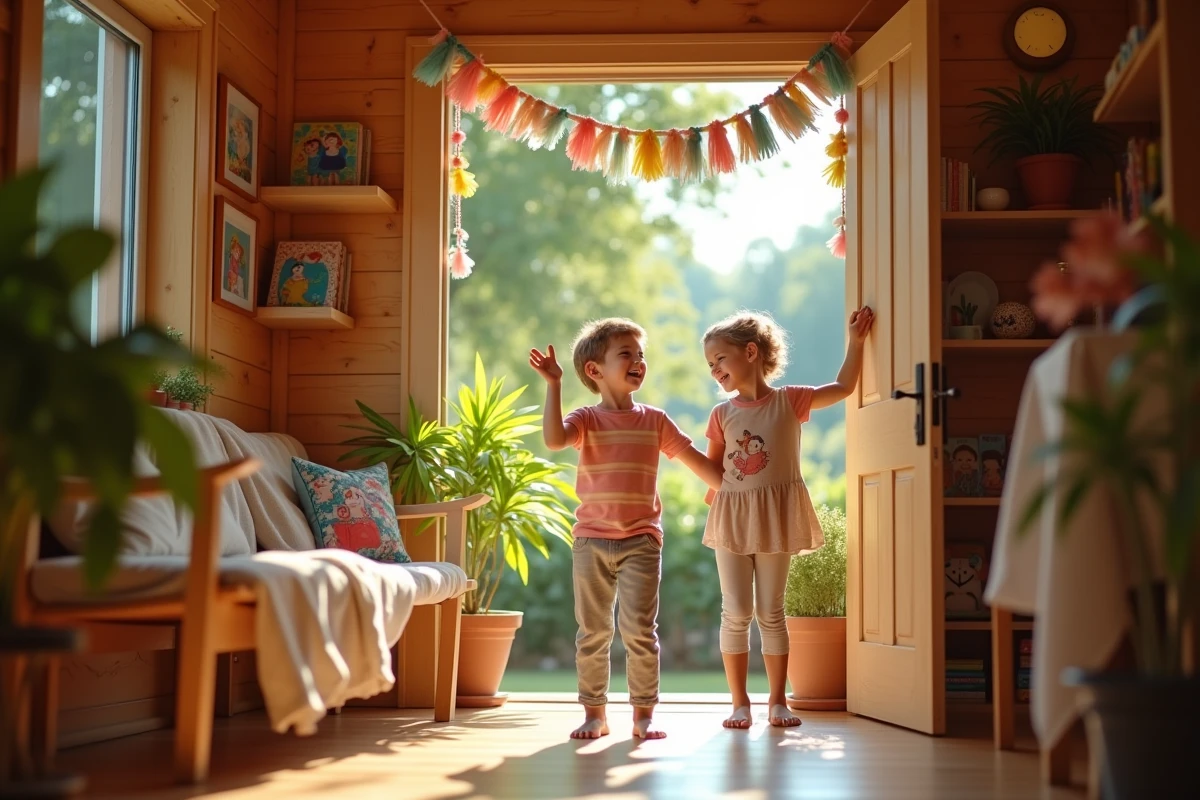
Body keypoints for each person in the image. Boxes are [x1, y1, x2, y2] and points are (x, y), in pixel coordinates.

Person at [530, 318, 722, 741]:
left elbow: (703, 466)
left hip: (641, 541)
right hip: (591, 541)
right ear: (595, 371)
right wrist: (554, 385)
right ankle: (595, 714)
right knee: (593, 632)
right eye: (627, 354)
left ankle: (643, 715)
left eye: (641, 354)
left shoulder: (655, 421)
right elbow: (554, 439)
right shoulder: (585, 419)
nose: (638, 361)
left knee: (639, 630)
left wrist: (743, 483)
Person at [702, 306, 874, 729]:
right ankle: (739, 702)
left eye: (719, 360)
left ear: (751, 352)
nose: (714, 371)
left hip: (775, 518)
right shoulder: (721, 414)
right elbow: (713, 471)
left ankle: (777, 702)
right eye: (709, 365)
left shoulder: (789, 400)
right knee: (735, 611)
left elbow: (845, 387)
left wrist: (855, 342)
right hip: (732, 520)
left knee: (771, 612)